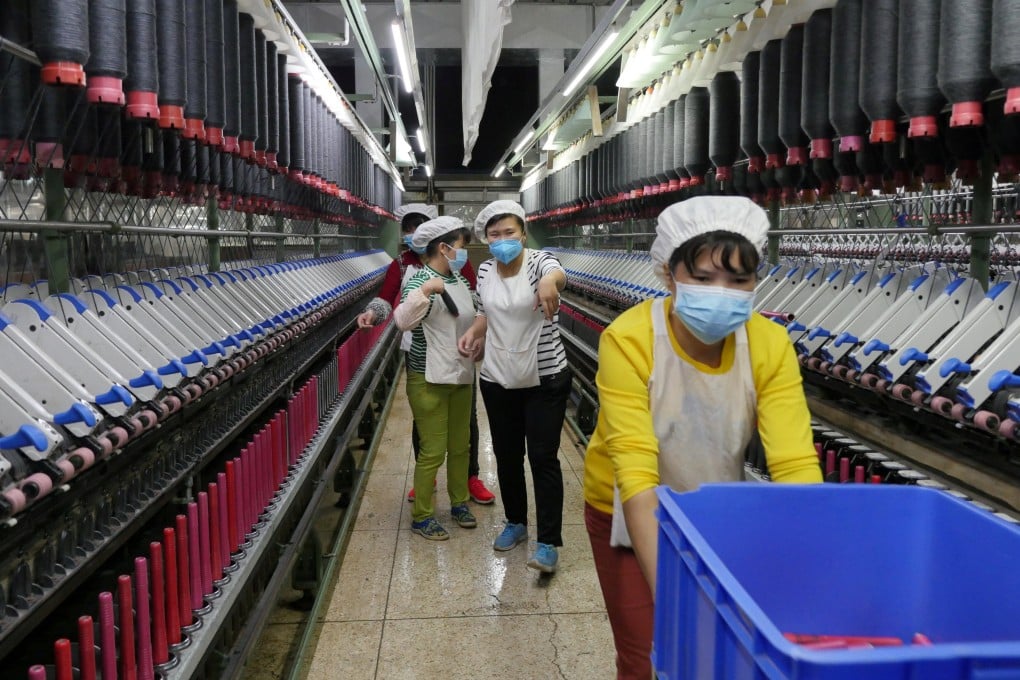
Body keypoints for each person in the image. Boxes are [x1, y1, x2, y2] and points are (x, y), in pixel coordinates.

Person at [581, 196, 823, 679]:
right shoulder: (629, 339)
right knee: (651, 652)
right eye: (704, 278)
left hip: (716, 503)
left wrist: (809, 571)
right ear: (668, 276)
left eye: (739, 281)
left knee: (719, 652)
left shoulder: (770, 344)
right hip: (627, 511)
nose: (723, 293)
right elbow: (636, 475)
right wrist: (677, 602)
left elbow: (796, 464)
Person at [459, 200, 570, 574]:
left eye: (510, 233)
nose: (503, 240)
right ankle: (516, 522)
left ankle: (549, 541)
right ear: (486, 240)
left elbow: (557, 273)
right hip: (498, 376)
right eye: (495, 235)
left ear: (523, 233)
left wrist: (550, 283)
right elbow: (483, 312)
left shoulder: (540, 262)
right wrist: (474, 335)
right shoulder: (487, 269)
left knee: (543, 457)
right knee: (507, 455)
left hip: (545, 376)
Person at [357, 203, 495, 505]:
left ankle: (469, 477)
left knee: (465, 425)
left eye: (418, 226)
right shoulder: (403, 264)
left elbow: (472, 301)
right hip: (421, 353)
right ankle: (427, 477)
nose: (412, 233)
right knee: (427, 425)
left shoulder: (459, 269)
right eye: (408, 227)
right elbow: (388, 300)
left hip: (458, 356)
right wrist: (373, 313)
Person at [393, 216, 481, 540]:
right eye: (460, 247)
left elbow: (471, 319)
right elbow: (401, 320)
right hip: (427, 376)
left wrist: (478, 343)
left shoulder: (461, 281)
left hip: (461, 374)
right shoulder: (419, 280)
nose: (464, 253)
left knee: (461, 445)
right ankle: (422, 516)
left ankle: (459, 502)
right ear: (443, 248)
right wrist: (425, 292)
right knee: (433, 449)